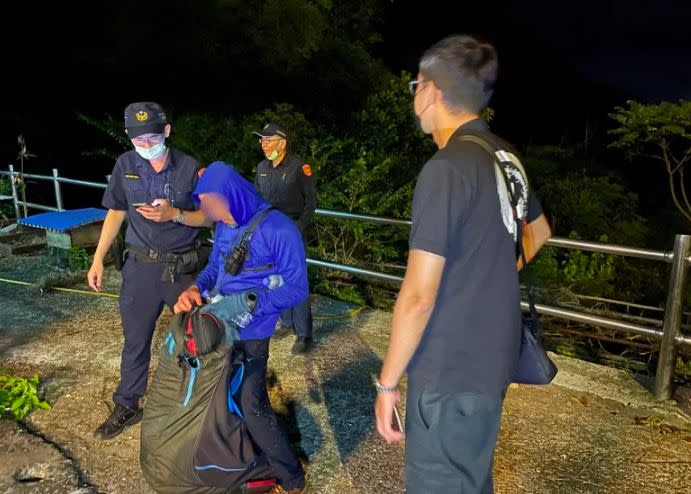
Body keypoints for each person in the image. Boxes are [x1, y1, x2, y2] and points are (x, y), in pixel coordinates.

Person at [373, 35, 552, 493]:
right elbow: (540, 231)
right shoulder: (504, 156)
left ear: (431, 90)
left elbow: (418, 296)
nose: (414, 94)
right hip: (494, 354)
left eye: (416, 84)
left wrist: (387, 383)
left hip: (450, 366)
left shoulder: (447, 167)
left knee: (439, 481)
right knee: (469, 477)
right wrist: (490, 278)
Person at [174, 162, 308, 494]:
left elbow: (296, 289)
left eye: (212, 202)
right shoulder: (223, 224)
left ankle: (292, 478)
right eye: (203, 202)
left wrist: (246, 305)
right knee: (222, 396)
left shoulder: (280, 229)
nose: (206, 210)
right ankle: (245, 461)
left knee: (251, 401)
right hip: (220, 326)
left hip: (253, 330)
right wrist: (196, 289)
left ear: (233, 195)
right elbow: (214, 267)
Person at [87, 102, 209, 440]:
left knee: (197, 338)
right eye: (138, 141)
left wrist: (176, 215)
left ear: (167, 131)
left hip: (180, 268)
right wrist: (97, 259)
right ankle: (127, 404)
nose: (145, 146)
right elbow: (115, 212)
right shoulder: (125, 164)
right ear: (129, 137)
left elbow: (211, 217)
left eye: (152, 138)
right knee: (135, 341)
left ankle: (198, 406)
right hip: (139, 267)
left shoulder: (191, 168)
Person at [253, 123, 317, 354]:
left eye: (269, 140)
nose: (264, 144)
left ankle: (304, 334)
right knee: (275, 280)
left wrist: (297, 228)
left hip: (292, 233)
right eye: (262, 140)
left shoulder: (300, 168)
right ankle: (287, 323)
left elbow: (311, 204)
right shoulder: (261, 167)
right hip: (269, 235)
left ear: (283, 142)